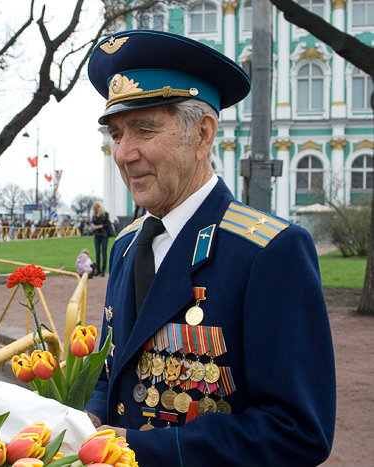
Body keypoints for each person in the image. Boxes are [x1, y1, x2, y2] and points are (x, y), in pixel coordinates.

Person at [84, 30, 336, 466]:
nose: (124, 153)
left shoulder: (269, 252)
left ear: (202, 135)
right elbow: (114, 373)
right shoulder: (127, 245)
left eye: (143, 129)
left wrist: (133, 447)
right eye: (117, 135)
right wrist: (83, 422)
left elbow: (297, 431)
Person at [91, 201, 112, 276]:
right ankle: (98, 269)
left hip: (104, 235)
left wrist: (100, 226)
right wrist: (97, 215)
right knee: (97, 253)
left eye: (98, 207)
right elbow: (93, 222)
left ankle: (103, 270)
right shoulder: (94, 215)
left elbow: (107, 224)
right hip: (97, 235)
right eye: (96, 208)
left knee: (104, 252)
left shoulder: (105, 214)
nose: (97, 209)